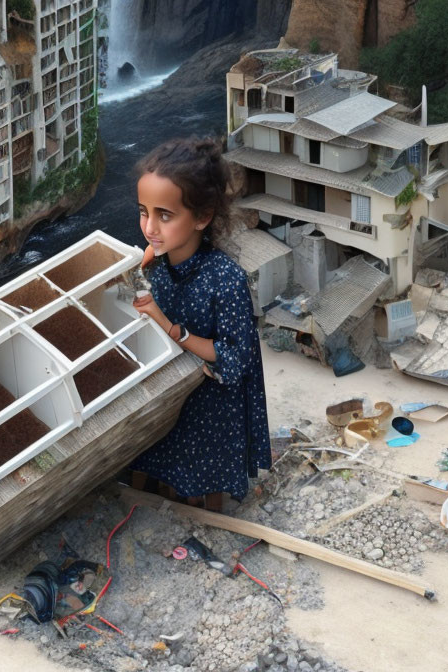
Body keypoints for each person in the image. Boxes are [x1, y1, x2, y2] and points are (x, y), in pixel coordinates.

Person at [129, 138, 271, 511]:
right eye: (143, 212)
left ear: (203, 216)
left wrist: (167, 325)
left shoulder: (225, 279)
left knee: (195, 483)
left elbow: (234, 360)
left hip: (211, 405)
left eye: (164, 215)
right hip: (171, 386)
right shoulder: (155, 259)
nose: (149, 227)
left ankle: (203, 514)